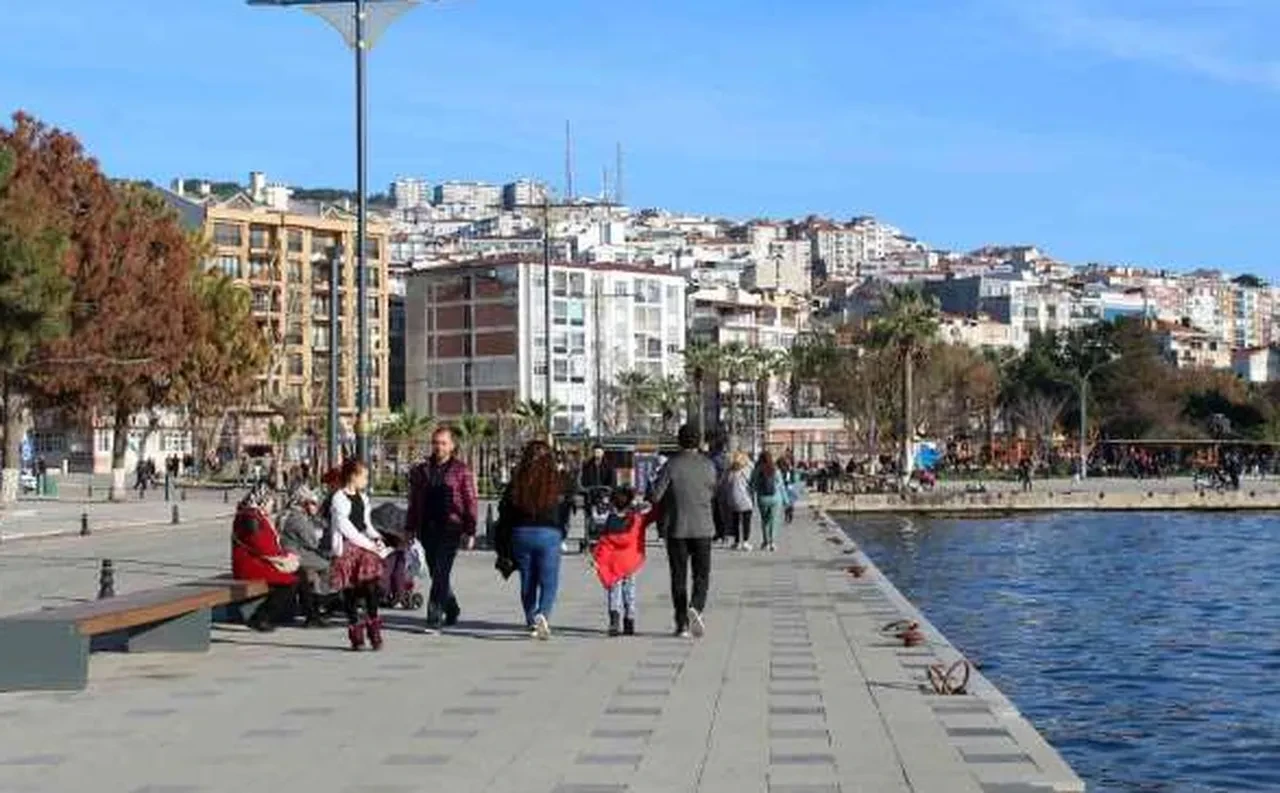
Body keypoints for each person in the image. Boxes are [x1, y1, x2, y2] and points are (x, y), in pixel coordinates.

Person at [494, 440, 571, 639]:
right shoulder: (557, 481)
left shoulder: (517, 481)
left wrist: (503, 542)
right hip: (549, 534)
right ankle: (542, 614)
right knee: (549, 580)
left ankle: (530, 620)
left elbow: (504, 510)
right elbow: (565, 508)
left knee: (527, 580)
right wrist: (563, 531)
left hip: (521, 533)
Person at [406, 427, 479, 632]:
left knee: (441, 571)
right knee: (436, 571)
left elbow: (470, 501)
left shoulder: (461, 470)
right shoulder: (422, 470)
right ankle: (452, 608)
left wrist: (470, 531)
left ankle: (434, 617)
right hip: (427, 527)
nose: (439, 447)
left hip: (451, 527)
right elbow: (414, 501)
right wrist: (409, 527)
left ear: (452, 446)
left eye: (443, 443)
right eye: (436, 442)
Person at [650, 424, 718, 639]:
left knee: (678, 576)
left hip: (677, 527)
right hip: (703, 527)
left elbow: (656, 496)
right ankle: (696, 607)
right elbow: (714, 491)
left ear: (679, 441)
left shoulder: (671, 465)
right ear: (698, 442)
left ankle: (681, 624)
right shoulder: (709, 465)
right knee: (702, 575)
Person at [328, 459, 389, 651]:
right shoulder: (338, 498)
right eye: (364, 476)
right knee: (351, 591)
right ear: (353, 476)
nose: (366, 480)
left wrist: (377, 538)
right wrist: (370, 545)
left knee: (371, 586)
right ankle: (356, 631)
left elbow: (365, 524)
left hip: (364, 547)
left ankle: (373, 626)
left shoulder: (363, 498)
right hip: (348, 548)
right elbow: (347, 529)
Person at [231, 484, 299, 633]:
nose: (272, 504)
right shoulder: (249, 517)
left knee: (298, 575)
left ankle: (308, 615)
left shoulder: (256, 515)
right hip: (249, 565)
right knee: (289, 583)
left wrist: (284, 558)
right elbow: (260, 545)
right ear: (262, 500)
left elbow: (268, 545)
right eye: (270, 501)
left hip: (258, 561)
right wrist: (283, 559)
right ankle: (260, 617)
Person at [593, 485, 659, 637]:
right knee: (630, 590)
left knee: (613, 590)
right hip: (630, 561)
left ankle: (614, 620)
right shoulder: (636, 520)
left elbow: (601, 542)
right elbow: (653, 514)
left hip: (613, 563)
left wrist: (597, 559)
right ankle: (629, 620)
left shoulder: (608, 521)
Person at [278, 483, 331, 627]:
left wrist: (315, 518)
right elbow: (313, 542)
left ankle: (314, 608)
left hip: (295, 553)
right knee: (328, 565)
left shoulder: (296, 514)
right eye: (313, 503)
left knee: (313, 573)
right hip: (293, 555)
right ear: (304, 502)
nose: (316, 505)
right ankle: (320, 603)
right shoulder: (297, 518)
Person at [752, 451, 789, 552]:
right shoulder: (775, 470)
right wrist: (786, 501)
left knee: (765, 521)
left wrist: (755, 494)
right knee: (774, 520)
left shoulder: (757, 470)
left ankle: (765, 542)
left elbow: (753, 485)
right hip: (776, 498)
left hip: (762, 498)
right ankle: (772, 542)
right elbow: (781, 486)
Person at [719, 452, 754, 551]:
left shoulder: (729, 472)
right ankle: (745, 541)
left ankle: (737, 541)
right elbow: (752, 483)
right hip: (746, 500)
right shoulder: (746, 471)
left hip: (732, 500)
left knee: (735, 522)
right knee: (746, 521)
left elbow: (722, 485)